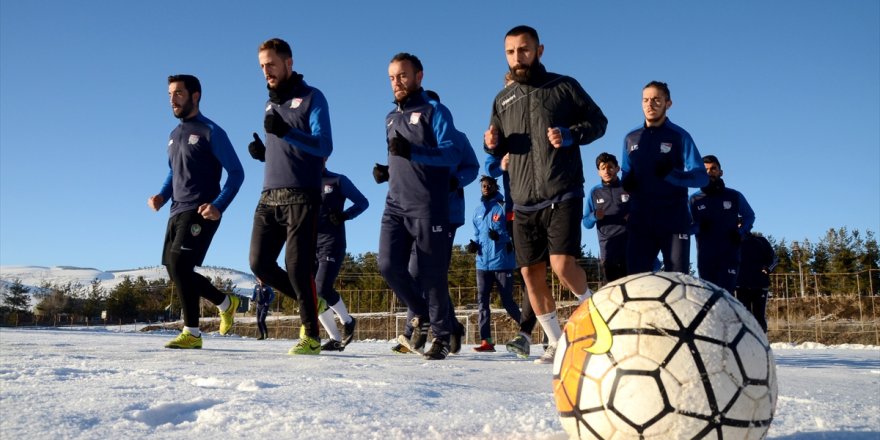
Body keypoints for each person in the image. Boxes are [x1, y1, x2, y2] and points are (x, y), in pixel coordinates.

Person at [483, 25, 607, 364]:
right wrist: (491, 144)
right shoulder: (502, 99)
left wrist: (570, 134)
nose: (517, 57)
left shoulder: (563, 86)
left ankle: (597, 317)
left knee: (562, 264)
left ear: (539, 50)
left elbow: (599, 122)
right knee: (530, 274)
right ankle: (556, 341)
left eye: (523, 50)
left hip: (562, 190)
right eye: (510, 52)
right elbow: (497, 146)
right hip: (522, 200)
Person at [246, 38, 332, 355]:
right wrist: (264, 154)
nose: (266, 71)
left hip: (302, 194)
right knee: (259, 263)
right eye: (262, 66)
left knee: (297, 267)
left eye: (271, 64)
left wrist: (286, 133)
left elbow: (324, 146)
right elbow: (285, 150)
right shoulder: (270, 104)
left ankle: (311, 335)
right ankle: (311, 299)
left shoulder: (312, 97)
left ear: (288, 63)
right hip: (269, 194)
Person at [149, 74, 244, 349]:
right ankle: (226, 303)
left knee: (180, 265)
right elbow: (173, 172)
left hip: (202, 210)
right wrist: (162, 196)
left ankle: (192, 332)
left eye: (178, 93)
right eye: (169, 95)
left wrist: (219, 205)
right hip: (176, 211)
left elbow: (236, 173)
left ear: (195, 96)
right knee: (173, 269)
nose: (172, 100)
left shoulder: (211, 131)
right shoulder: (173, 135)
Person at [379, 90, 477, 356]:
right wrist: (387, 173)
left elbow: (472, 167)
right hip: (412, 207)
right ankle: (433, 326)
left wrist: (456, 182)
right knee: (413, 273)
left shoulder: (456, 137)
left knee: (428, 273)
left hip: (447, 212)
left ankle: (425, 330)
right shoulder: (404, 127)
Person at [620, 81, 709, 276]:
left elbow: (702, 178)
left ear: (668, 104)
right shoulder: (631, 138)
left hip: (673, 217)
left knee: (677, 279)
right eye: (645, 100)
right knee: (636, 280)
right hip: (641, 218)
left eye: (656, 100)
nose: (650, 105)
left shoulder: (679, 136)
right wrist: (626, 182)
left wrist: (674, 176)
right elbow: (625, 175)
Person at [314, 164, 369, 351]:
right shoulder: (301, 181)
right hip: (307, 244)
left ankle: (348, 321)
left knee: (321, 288)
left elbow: (363, 202)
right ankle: (335, 338)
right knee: (312, 294)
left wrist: (345, 215)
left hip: (332, 242)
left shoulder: (337, 180)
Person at [466, 175, 521, 352]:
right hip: (482, 264)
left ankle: (528, 328)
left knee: (507, 302)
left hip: (502, 262)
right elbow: (477, 234)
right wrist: (474, 245)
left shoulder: (504, 207)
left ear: (495, 187)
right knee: (482, 303)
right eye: (483, 185)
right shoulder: (477, 211)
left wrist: (501, 237)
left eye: (489, 185)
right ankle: (486, 341)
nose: (486, 188)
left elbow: (515, 233)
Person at [689, 155, 756, 293]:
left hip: (729, 255)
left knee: (726, 295)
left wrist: (740, 233)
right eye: (705, 169)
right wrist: (698, 227)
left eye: (713, 169)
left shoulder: (734, 196)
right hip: (706, 257)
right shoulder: (694, 199)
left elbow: (749, 216)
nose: (709, 172)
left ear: (720, 172)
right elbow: (686, 227)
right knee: (709, 296)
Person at [583, 152, 631, 283]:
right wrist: (594, 216)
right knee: (611, 290)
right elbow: (586, 223)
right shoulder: (594, 192)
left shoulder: (628, 188)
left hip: (630, 246)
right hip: (608, 249)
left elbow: (642, 211)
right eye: (602, 168)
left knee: (633, 289)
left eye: (610, 167)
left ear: (617, 168)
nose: (606, 171)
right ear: (598, 172)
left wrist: (633, 216)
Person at [735, 231, 777, 332]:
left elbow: (774, 258)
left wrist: (768, 268)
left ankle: (762, 342)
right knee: (743, 316)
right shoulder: (732, 241)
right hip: (740, 286)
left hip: (760, 285)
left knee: (759, 316)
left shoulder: (760, 241)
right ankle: (745, 343)